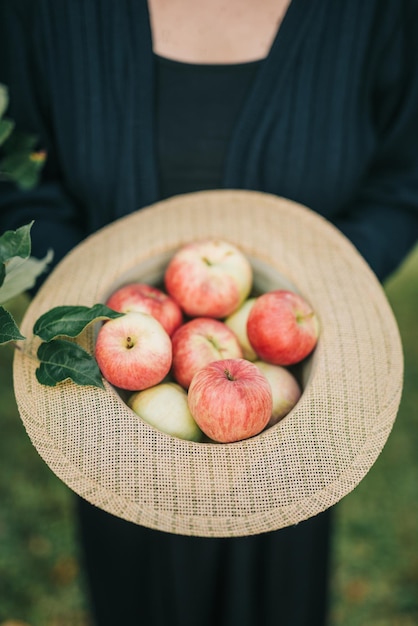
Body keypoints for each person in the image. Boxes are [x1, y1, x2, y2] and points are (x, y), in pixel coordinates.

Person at [1, 1, 418, 625]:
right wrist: (91, 308)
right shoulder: (44, 15)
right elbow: (21, 183)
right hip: (124, 421)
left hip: (290, 418)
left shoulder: (383, 16)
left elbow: (403, 184)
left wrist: (327, 283)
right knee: (134, 592)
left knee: (281, 593)